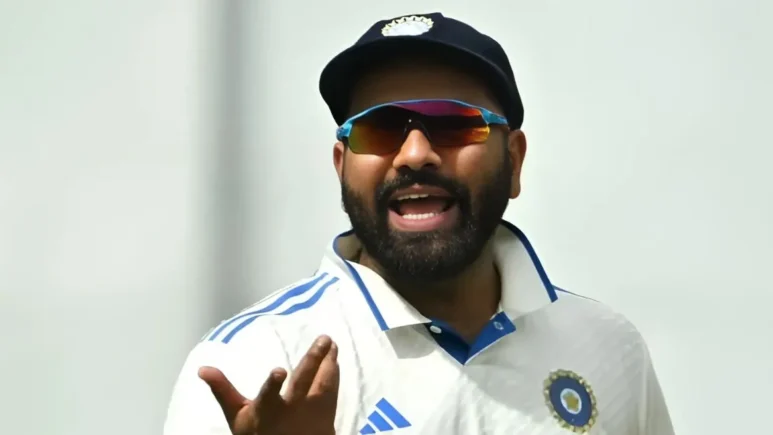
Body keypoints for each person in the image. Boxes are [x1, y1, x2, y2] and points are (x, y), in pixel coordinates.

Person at [163, 12, 674, 435]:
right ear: (341, 166)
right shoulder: (252, 364)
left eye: (455, 124)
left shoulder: (608, 348)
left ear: (514, 162)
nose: (414, 154)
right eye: (379, 128)